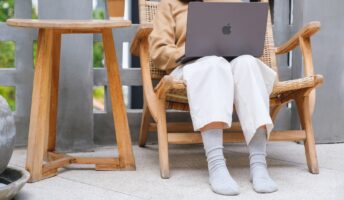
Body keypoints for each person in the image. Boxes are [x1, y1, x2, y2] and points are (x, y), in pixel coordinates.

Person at [148, 0, 278, 196]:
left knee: (247, 63)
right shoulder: (171, 3)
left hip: (234, 63)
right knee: (213, 64)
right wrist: (190, 51)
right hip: (194, 66)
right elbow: (158, 49)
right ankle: (217, 165)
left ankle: (259, 164)